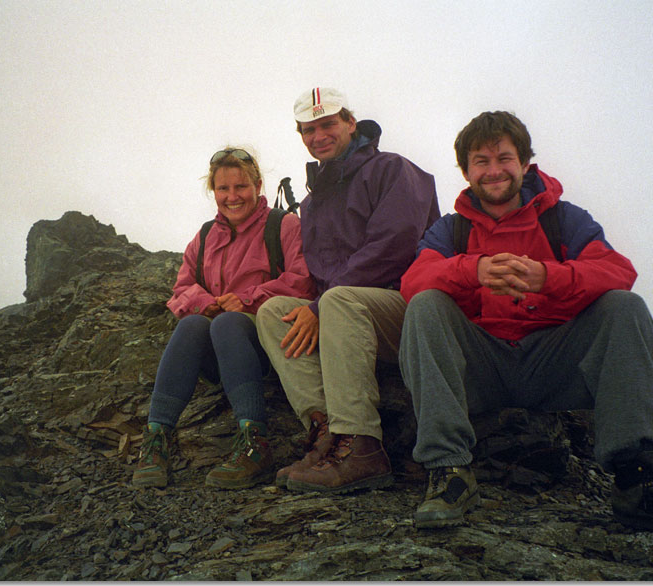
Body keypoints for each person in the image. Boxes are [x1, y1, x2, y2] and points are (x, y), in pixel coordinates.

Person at [399, 111, 653, 537]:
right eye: (481, 161)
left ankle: (638, 477)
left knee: (625, 306)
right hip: (482, 368)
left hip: (556, 364)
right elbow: (413, 281)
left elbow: (617, 270)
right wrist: (471, 270)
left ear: (525, 162)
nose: (493, 170)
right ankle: (448, 471)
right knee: (425, 306)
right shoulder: (450, 230)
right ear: (465, 171)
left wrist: (548, 278)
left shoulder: (564, 219)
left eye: (504, 157)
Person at [255, 87, 440, 493]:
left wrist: (321, 306)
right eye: (308, 129)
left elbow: (394, 247)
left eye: (328, 125)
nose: (318, 136)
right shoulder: (313, 201)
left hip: (404, 308)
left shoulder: (394, 170)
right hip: (342, 311)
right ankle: (327, 434)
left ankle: (362, 446)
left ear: (351, 123)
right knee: (272, 313)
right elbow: (316, 273)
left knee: (338, 300)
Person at [132, 147, 315, 490]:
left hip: (267, 348)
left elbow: (304, 280)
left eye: (241, 187)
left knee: (229, 323)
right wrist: (207, 303)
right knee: (193, 324)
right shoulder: (203, 238)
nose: (232, 197)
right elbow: (181, 290)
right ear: (212, 191)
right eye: (223, 189)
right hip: (217, 353)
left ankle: (254, 443)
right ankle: (156, 439)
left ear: (258, 185)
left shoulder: (285, 225)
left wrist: (246, 300)